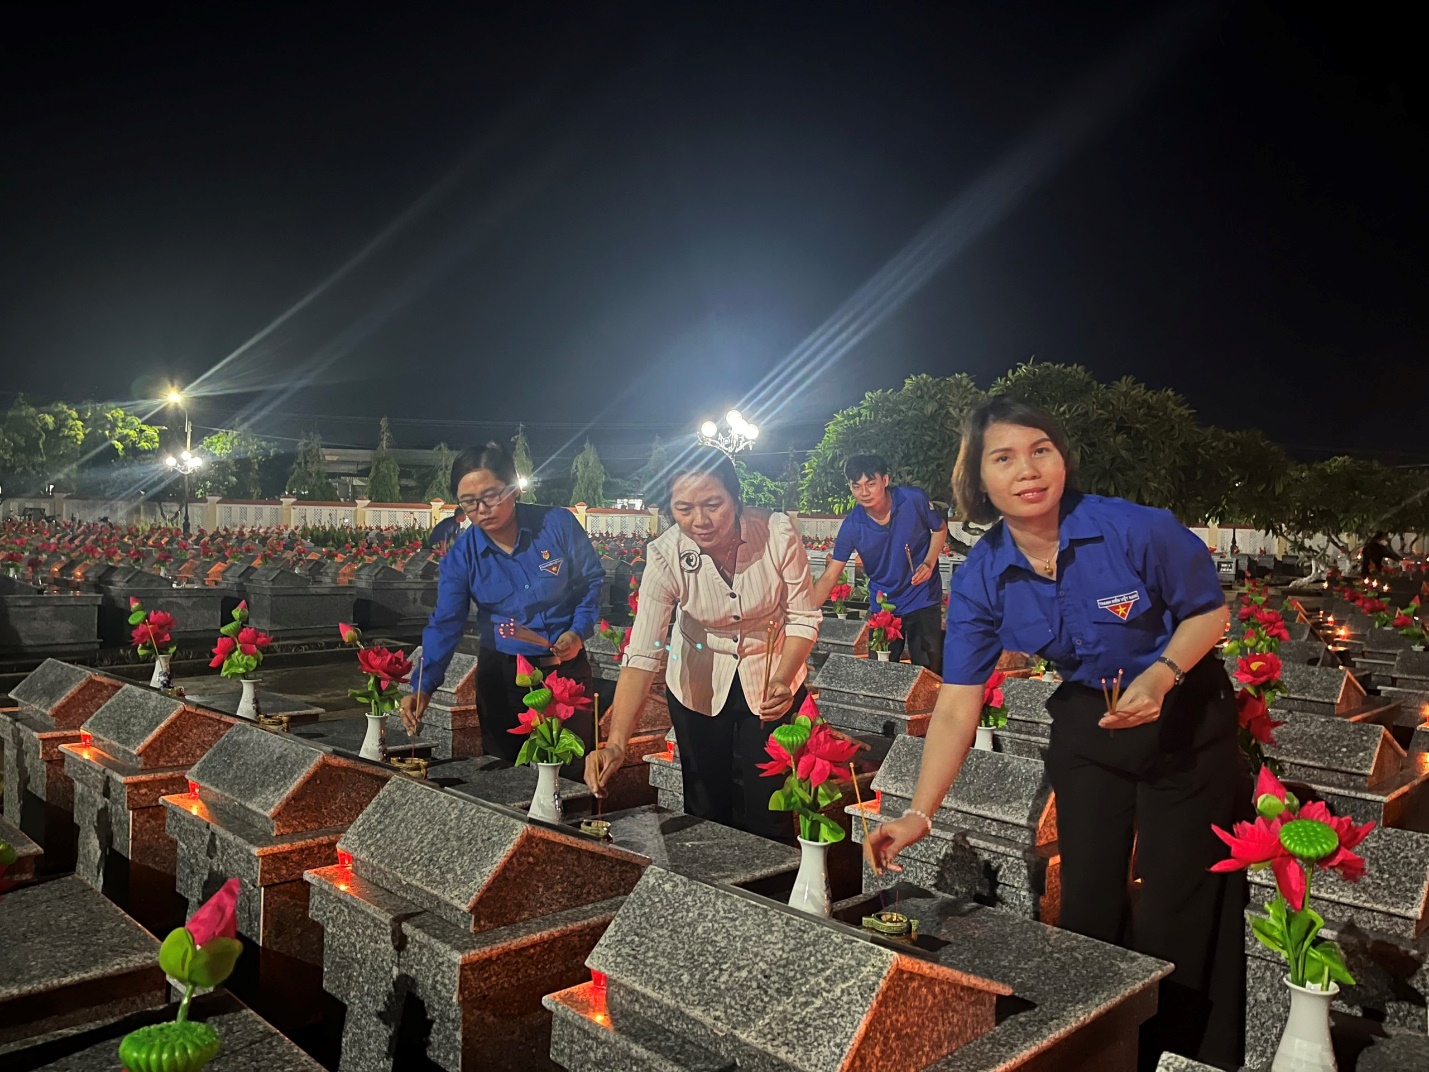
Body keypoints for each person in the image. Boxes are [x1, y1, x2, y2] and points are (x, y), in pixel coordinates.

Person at [864, 396, 1241, 1070]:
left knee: (1173, 906)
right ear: (979, 482)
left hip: (1184, 715)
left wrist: (1159, 676)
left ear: (1062, 456)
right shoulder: (983, 574)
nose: (1028, 470)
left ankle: (1179, 1055)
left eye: (1040, 449)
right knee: (1085, 900)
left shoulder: (1135, 529)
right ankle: (1096, 1046)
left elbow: (1208, 614)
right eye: (1003, 458)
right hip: (1088, 723)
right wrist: (920, 812)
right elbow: (956, 703)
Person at [584, 447, 821, 839]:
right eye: (684, 509)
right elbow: (643, 652)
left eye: (713, 504)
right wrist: (616, 743)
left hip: (770, 676)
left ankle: (771, 894)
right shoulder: (665, 555)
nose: (701, 521)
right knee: (705, 803)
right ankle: (712, 893)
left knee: (770, 804)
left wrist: (783, 678)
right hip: (696, 678)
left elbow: (803, 617)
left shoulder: (777, 532)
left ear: (735, 497)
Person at [401, 442, 604, 766]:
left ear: (514, 488)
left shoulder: (557, 525)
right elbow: (445, 623)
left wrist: (578, 632)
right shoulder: (462, 557)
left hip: (566, 674)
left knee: (572, 773)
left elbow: (590, 582)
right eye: (469, 502)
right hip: (505, 678)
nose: (482, 509)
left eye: (491, 496)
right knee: (511, 777)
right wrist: (423, 686)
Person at [810, 454, 948, 674]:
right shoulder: (853, 525)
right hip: (884, 604)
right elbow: (830, 575)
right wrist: (805, 613)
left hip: (921, 596)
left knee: (927, 673)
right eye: (856, 486)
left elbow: (939, 529)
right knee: (878, 673)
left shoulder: (913, 500)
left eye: (870, 484)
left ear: (885, 480)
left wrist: (929, 563)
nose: (864, 492)